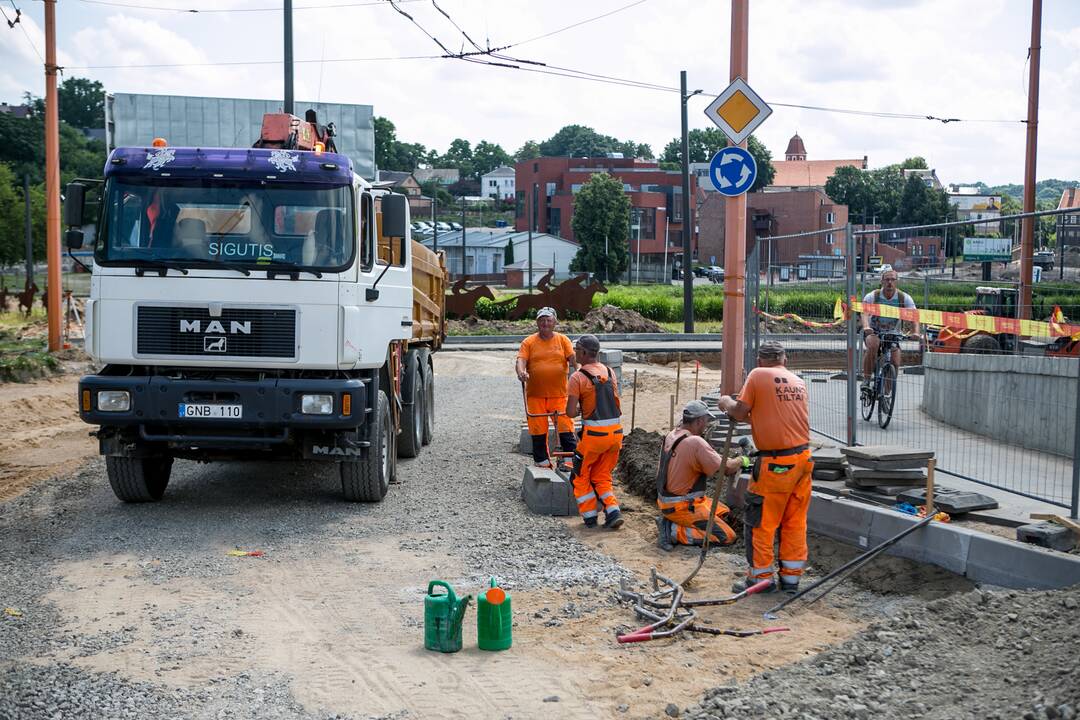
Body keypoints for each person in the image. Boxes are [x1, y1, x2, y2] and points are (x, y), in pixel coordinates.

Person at [717, 341, 812, 594]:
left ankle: (760, 579)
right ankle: (791, 579)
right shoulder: (797, 380)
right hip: (803, 460)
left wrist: (726, 402)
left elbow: (739, 412)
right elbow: (766, 414)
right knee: (794, 521)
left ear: (759, 361)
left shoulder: (758, 375)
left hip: (776, 464)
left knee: (762, 521)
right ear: (785, 360)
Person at [654, 400, 747, 551]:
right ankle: (672, 530)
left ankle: (671, 521)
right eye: (706, 421)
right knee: (727, 536)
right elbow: (727, 468)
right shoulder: (695, 442)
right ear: (698, 421)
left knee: (724, 512)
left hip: (669, 501)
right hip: (682, 506)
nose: (706, 425)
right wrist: (742, 460)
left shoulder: (673, 435)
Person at [564, 334, 624, 529]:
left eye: (576, 350)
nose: (574, 353)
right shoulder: (609, 371)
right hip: (616, 434)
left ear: (582, 352)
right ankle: (613, 511)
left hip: (594, 436)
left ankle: (590, 518)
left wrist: (580, 408)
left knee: (580, 476)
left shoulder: (578, 377)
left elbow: (570, 413)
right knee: (601, 475)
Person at [516, 307, 577, 468]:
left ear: (554, 322)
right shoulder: (528, 342)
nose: (545, 323)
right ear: (537, 322)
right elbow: (521, 360)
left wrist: (578, 371)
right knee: (537, 429)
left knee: (565, 427)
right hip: (536, 395)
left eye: (548, 320)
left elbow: (572, 358)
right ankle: (542, 462)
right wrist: (521, 372)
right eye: (542, 320)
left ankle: (570, 460)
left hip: (559, 394)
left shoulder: (563, 340)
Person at [861, 269, 920, 386]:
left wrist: (916, 332)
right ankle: (866, 380)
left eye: (893, 279)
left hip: (893, 333)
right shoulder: (873, 296)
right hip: (874, 331)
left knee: (895, 361)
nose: (890, 282)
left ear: (897, 281)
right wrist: (866, 327)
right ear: (881, 281)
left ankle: (887, 394)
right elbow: (864, 312)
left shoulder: (904, 298)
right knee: (873, 346)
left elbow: (915, 316)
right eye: (887, 279)